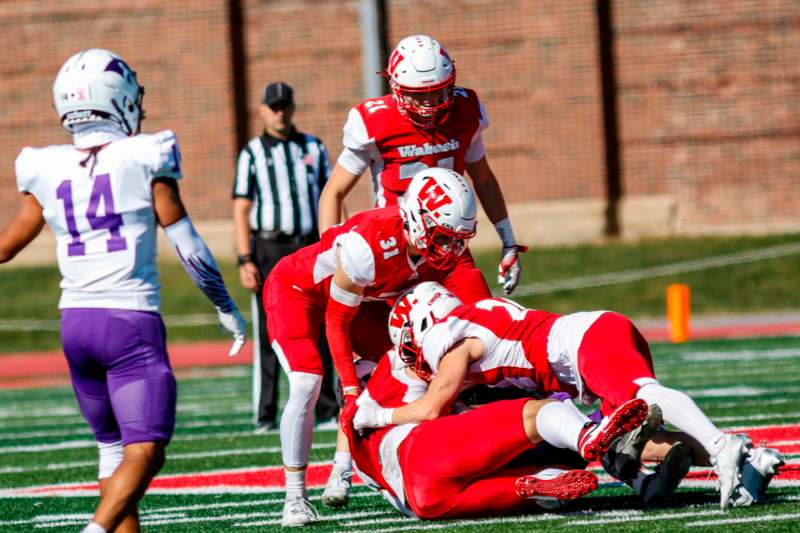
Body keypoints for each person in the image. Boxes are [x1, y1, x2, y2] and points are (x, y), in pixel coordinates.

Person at [0, 49, 247, 533]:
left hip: (74, 324)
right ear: (118, 99)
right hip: (128, 321)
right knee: (147, 449)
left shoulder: (45, 167)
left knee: (113, 453)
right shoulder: (143, 155)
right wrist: (224, 305)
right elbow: (190, 247)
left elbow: (5, 247)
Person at [369, 282, 780, 510]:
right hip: (584, 351)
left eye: (410, 343)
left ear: (423, 323)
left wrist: (378, 416)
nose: (414, 355)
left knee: (645, 394)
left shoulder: (448, 336)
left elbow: (433, 407)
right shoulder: (473, 318)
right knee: (622, 438)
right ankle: (752, 460)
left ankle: (721, 445)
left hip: (586, 342)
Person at [263, 167, 478, 526]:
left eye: (459, 238)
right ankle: (294, 496)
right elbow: (335, 322)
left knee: (398, 368)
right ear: (418, 220)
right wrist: (349, 389)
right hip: (298, 291)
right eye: (445, 237)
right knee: (306, 382)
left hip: (360, 300)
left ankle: (348, 468)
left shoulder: (424, 247)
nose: (453, 248)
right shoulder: (371, 244)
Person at [319, 34, 526, 303]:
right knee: (407, 338)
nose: (430, 102)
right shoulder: (376, 123)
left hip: (449, 244)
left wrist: (509, 241)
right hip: (394, 249)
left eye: (437, 90)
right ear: (396, 88)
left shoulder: (466, 112)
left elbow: (484, 179)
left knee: (484, 324)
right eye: (419, 94)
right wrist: (328, 259)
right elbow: (334, 192)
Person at [339, 349, 600, 520]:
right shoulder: (390, 368)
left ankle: (543, 483)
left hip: (424, 504)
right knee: (537, 414)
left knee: (540, 481)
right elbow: (442, 390)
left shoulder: (357, 440)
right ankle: (590, 431)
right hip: (423, 453)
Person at [231, 81, 338, 433]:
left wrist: (337, 242)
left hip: (308, 245)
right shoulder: (252, 153)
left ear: (292, 107)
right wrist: (245, 258)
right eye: (273, 106)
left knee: (321, 325)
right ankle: (265, 414)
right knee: (268, 330)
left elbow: (332, 194)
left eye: (285, 105)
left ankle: (326, 410)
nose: (280, 112)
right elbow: (241, 209)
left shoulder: (313, 147)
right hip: (270, 248)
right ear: (263, 110)